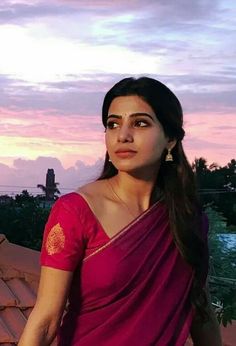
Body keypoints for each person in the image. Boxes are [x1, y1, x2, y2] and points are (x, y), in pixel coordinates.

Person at [19, 77, 222, 345]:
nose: (122, 135)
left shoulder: (188, 218)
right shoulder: (75, 211)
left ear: (171, 138)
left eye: (140, 123)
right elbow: (45, 320)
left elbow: (201, 308)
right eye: (113, 124)